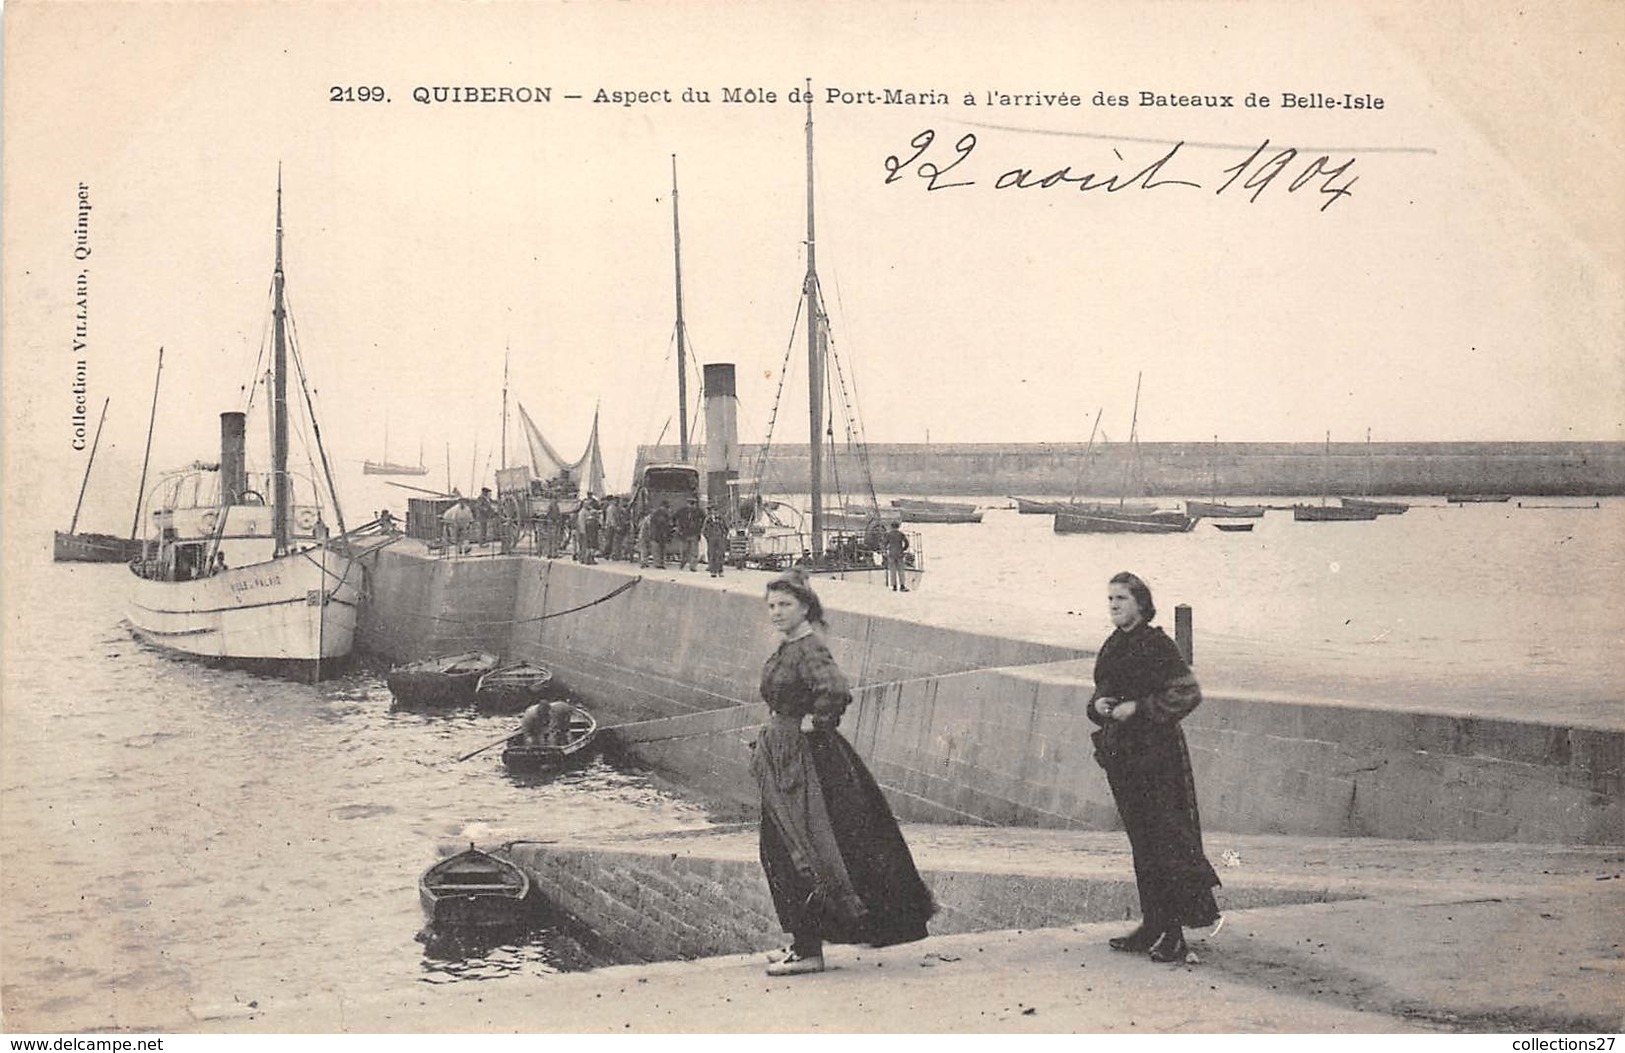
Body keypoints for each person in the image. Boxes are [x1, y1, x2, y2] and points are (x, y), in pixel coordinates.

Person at [752, 568, 935, 976]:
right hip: (786, 760)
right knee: (783, 848)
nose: (777, 612)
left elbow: (835, 690)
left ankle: (808, 950)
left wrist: (813, 724)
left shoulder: (809, 647)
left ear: (805, 607)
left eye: (785, 605)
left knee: (803, 851)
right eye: (772, 606)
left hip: (804, 765)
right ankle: (802, 941)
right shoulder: (790, 646)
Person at [1085, 571, 1220, 964]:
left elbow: (1187, 692)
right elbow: (1101, 692)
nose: (1113, 605)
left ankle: (1174, 934)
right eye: (1110, 599)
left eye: (1121, 599)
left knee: (1167, 842)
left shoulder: (1158, 644)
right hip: (1124, 758)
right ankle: (1152, 924)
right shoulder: (1113, 644)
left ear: (1141, 604)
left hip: (1158, 759)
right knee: (1141, 843)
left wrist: (1139, 709)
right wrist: (1099, 706)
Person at [675, 496, 705, 571]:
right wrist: (677, 527)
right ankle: (683, 562)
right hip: (684, 534)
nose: (691, 506)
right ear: (687, 503)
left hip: (694, 533)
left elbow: (705, 519)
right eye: (690, 503)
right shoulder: (682, 511)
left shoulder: (698, 511)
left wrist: (700, 527)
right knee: (684, 550)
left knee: (694, 551)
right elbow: (674, 517)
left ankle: (693, 566)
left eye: (693, 504)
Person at [702, 507, 729, 577]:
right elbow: (704, 530)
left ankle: (720, 570)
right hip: (711, 538)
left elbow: (726, 528)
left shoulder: (722, 519)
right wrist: (708, 537)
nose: (715, 512)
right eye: (714, 510)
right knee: (712, 554)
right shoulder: (708, 519)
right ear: (711, 511)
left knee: (721, 554)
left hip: (720, 538)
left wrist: (724, 536)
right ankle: (713, 571)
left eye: (716, 510)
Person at [883, 522, 910, 591]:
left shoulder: (888, 534)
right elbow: (907, 543)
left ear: (891, 526)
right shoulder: (901, 534)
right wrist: (903, 549)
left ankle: (894, 586)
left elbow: (884, 544)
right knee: (901, 570)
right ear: (898, 527)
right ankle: (902, 586)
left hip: (891, 554)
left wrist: (885, 550)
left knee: (892, 571)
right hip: (899, 554)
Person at [648, 500, 673, 569]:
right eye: (666, 507)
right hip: (658, 534)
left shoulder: (660, 514)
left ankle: (660, 563)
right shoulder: (660, 514)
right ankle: (658, 563)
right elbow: (662, 524)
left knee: (660, 549)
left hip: (659, 534)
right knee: (658, 549)